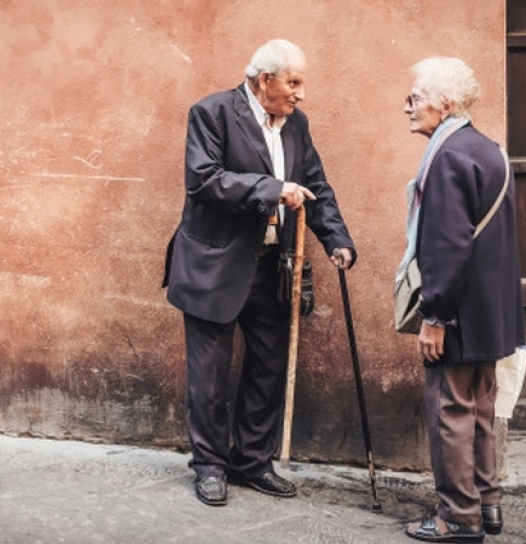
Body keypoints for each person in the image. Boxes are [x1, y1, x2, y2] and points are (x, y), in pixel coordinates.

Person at [162, 39, 356, 507]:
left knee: (268, 369)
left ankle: (252, 461)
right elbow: (204, 180)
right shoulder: (212, 113)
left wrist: (337, 239)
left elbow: (315, 184)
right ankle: (210, 466)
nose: (301, 93)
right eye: (294, 82)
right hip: (214, 265)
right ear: (265, 79)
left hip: (273, 267)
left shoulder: (297, 124)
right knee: (209, 377)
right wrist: (272, 189)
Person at [399, 57, 526, 543]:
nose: (408, 107)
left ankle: (458, 516)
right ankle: (487, 503)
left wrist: (435, 316)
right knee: (480, 409)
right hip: (489, 313)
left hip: (457, 312)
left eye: (415, 98)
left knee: (450, 411)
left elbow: (447, 245)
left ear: (446, 104)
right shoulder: (489, 150)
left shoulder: (448, 156)